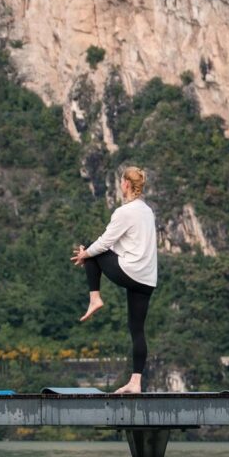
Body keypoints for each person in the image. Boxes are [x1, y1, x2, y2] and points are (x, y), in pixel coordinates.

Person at [71, 166, 157, 394]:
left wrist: (84, 254)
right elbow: (127, 243)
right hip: (147, 279)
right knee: (137, 329)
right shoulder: (147, 211)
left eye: (121, 181)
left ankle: (95, 298)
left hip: (132, 271)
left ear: (126, 184)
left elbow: (104, 243)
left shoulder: (124, 212)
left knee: (92, 249)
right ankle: (136, 382)